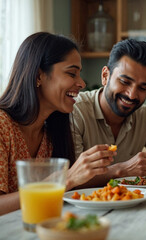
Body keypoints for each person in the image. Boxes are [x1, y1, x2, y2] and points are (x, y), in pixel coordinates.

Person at [0, 32, 114, 215]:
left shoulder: (51, 132)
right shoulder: (2, 126)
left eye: (79, 74)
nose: (82, 83)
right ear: (39, 75)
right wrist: (65, 178)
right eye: (71, 73)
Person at [71, 39, 146, 187]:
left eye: (143, 88)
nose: (132, 95)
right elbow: (71, 178)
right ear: (105, 76)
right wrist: (122, 170)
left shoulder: (145, 116)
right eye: (125, 82)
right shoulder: (76, 111)